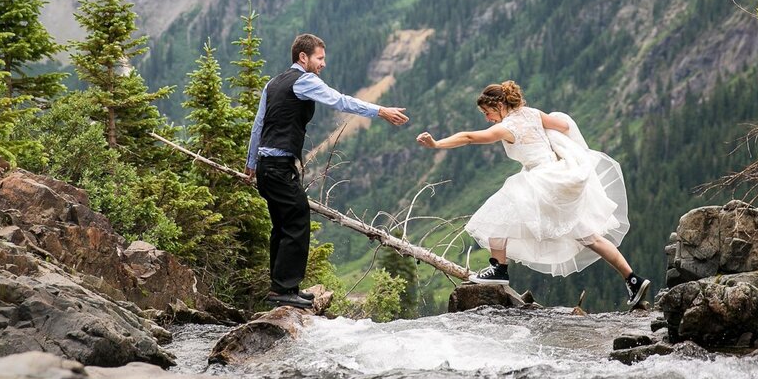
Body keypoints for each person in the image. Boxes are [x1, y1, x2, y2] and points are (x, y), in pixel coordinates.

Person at [416, 80, 650, 310]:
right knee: (590, 236)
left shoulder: (506, 127)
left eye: (488, 113)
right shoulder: (533, 114)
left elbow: (469, 137)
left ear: (499, 105)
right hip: (560, 177)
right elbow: (564, 126)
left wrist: (436, 144)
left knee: (497, 210)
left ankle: (499, 268)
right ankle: (633, 279)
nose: (487, 119)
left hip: (540, 180)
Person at [246, 33, 410, 309]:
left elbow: (258, 125)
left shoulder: (273, 83)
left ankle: (282, 287)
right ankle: (284, 290)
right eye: (319, 58)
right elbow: (339, 100)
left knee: (282, 225)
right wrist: (380, 110)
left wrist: (251, 163)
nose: (323, 63)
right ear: (303, 57)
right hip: (279, 166)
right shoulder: (304, 80)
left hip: (266, 166)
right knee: (297, 221)